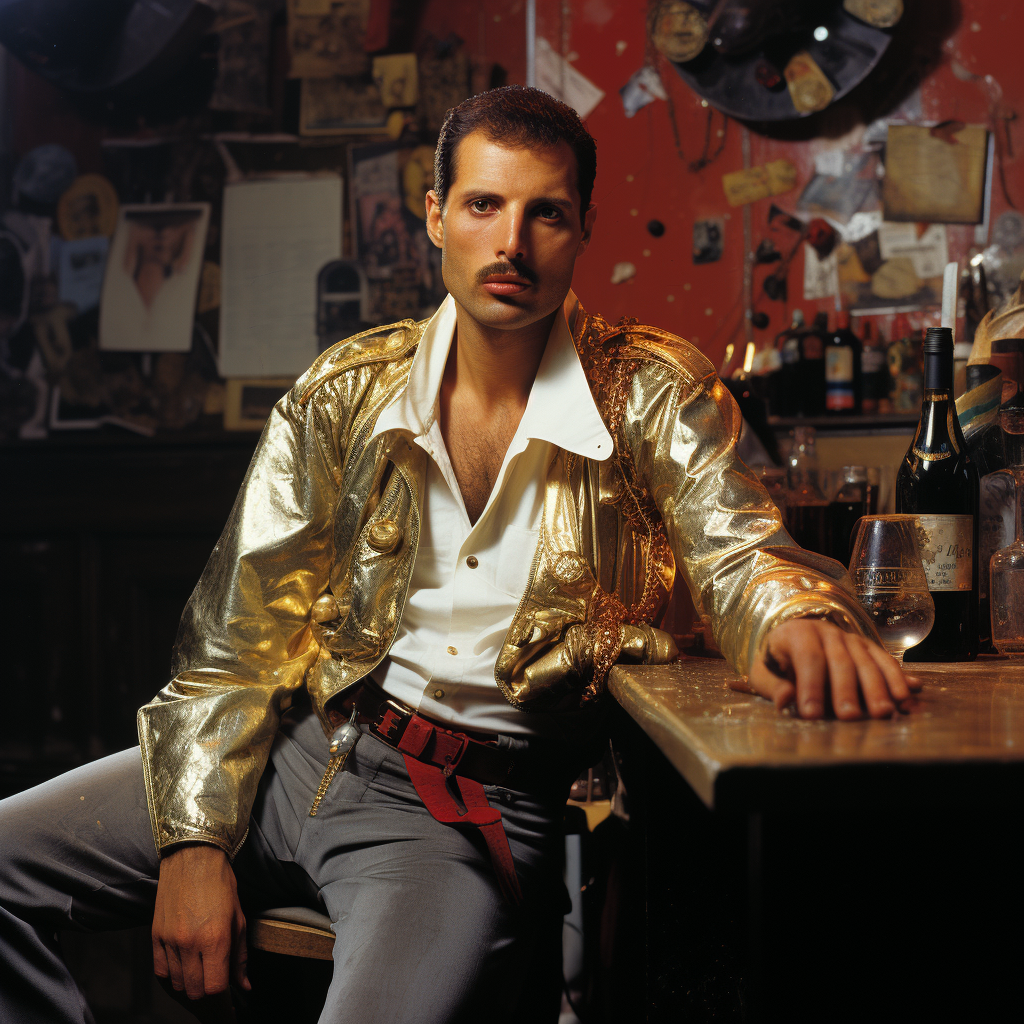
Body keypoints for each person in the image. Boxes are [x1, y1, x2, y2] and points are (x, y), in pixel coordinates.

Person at [0, 86, 919, 1024]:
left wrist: (794, 614)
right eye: (484, 205)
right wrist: (195, 838)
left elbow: (740, 554)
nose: (511, 243)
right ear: (437, 215)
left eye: (545, 213)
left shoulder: (652, 390)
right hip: (290, 756)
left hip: (450, 820)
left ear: (582, 230)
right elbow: (231, 647)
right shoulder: (343, 393)